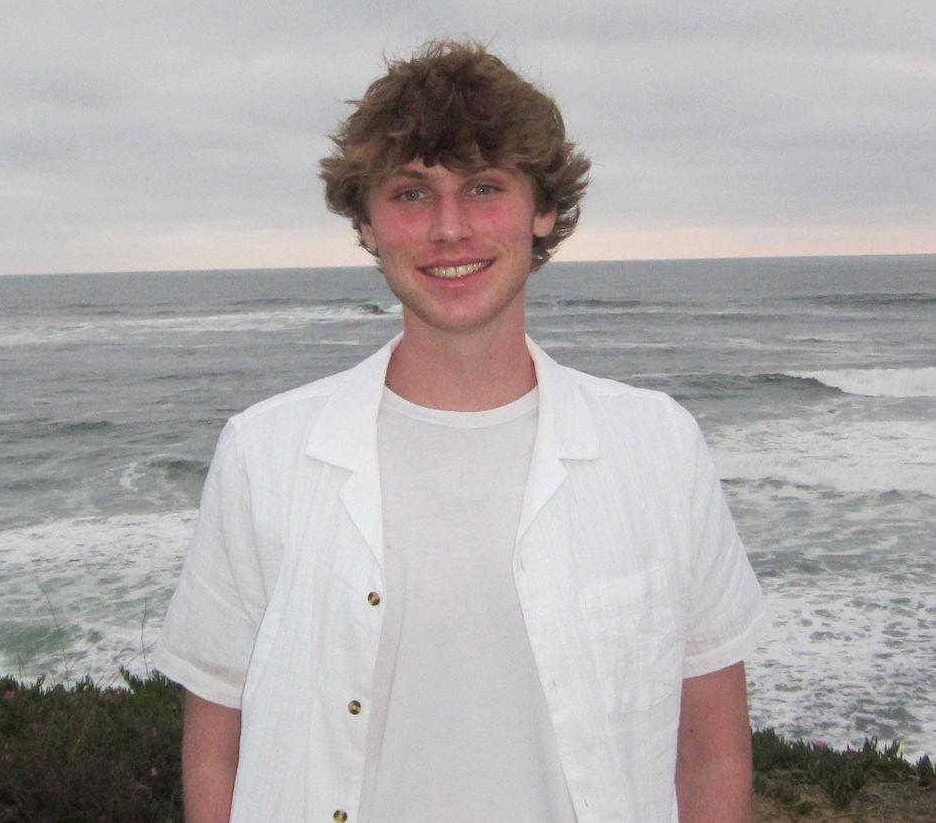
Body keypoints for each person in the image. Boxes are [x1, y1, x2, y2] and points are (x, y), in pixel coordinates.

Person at [154, 40, 769, 823]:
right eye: (411, 193)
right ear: (367, 224)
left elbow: (709, 750)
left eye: (483, 187)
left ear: (542, 210)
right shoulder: (264, 453)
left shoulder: (657, 448)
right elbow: (218, 745)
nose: (449, 228)